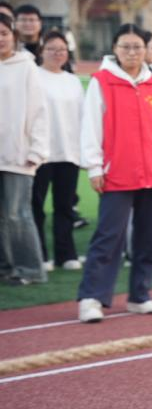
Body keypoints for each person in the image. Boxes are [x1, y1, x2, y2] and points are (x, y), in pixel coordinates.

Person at [77, 24, 152, 323]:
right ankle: (92, 297)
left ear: (146, 50)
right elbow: (91, 126)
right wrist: (94, 166)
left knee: (149, 239)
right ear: (115, 49)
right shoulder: (102, 82)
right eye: (126, 46)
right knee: (109, 237)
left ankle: (140, 295)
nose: (132, 52)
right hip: (117, 174)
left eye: (138, 47)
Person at [0, 13, 49, 285]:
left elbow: (38, 111)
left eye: (4, 33)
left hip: (18, 155)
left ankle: (30, 269)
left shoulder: (26, 67)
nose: (0, 39)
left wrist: (36, 150)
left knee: (17, 214)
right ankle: (5, 268)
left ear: (14, 36)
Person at [31, 30, 84, 272]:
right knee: (37, 206)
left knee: (64, 206)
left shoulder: (73, 81)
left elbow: (82, 117)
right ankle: (40, 254)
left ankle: (66, 254)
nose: (57, 53)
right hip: (40, 153)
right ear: (41, 51)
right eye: (51, 49)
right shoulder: (33, 77)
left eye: (61, 49)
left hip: (68, 152)